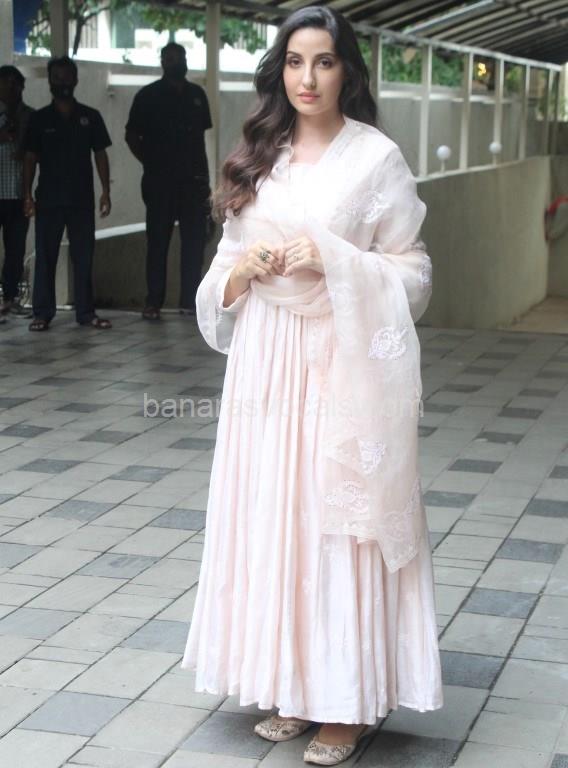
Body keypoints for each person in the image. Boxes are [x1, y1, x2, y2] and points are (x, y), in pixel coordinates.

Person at [181, 6, 443, 766]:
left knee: (336, 521)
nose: (308, 77)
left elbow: (414, 274)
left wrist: (334, 258)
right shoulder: (259, 156)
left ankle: (345, 703)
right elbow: (220, 272)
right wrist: (242, 271)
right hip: (266, 362)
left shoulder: (376, 159)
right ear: (280, 70)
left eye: (324, 61)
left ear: (347, 71)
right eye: (295, 61)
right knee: (277, 514)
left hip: (341, 359)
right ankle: (293, 684)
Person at [22, 56, 112, 332]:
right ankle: (42, 313)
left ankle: (86, 313)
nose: (62, 82)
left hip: (81, 200)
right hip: (49, 200)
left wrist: (106, 191)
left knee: (84, 257)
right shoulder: (39, 119)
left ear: (75, 80)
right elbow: (29, 159)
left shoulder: (90, 116)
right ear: (50, 81)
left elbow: (100, 154)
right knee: (45, 257)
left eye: (67, 77)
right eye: (57, 77)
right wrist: (27, 195)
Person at [125, 42, 213, 322]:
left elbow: (200, 142)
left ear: (185, 60)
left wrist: (206, 183)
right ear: (162, 62)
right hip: (159, 183)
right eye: (170, 58)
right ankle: (153, 302)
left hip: (193, 185)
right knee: (157, 244)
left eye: (179, 58)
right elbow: (131, 136)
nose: (175, 62)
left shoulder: (197, 95)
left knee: (194, 245)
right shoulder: (148, 96)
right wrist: (151, 162)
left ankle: (190, 302)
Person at [0, 65, 34, 319]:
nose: (10, 89)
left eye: (15, 84)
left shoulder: (30, 116)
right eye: (4, 84)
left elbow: (32, 151)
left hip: (19, 192)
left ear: (22, 86)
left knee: (15, 249)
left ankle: (10, 298)